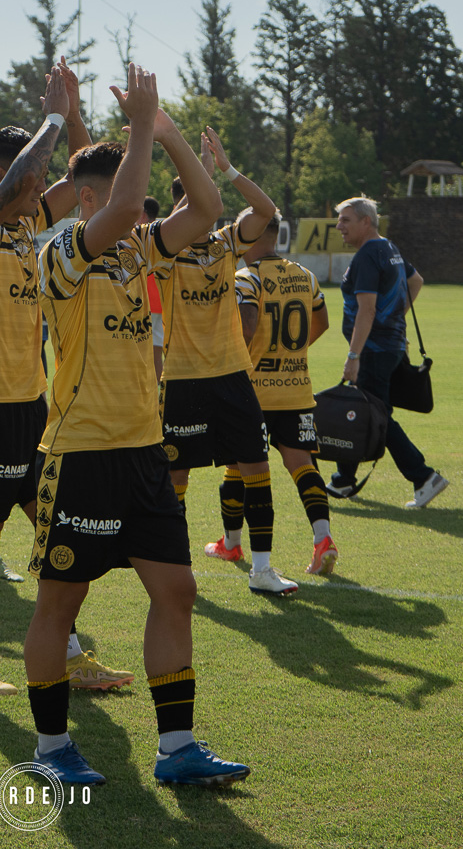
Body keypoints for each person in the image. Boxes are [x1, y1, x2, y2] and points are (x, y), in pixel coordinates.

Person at [24, 64, 250, 788]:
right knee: (63, 599)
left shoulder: (136, 249)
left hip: (144, 454)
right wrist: (136, 136)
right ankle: (52, 749)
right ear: (86, 196)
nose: (141, 197)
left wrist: (164, 129)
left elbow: (207, 207)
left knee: (177, 589)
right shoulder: (60, 249)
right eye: (126, 180)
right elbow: (123, 210)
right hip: (81, 453)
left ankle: (177, 747)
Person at [0, 62, 127, 694]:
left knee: (56, 533)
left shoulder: (29, 226)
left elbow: (93, 181)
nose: (44, 186)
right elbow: (25, 180)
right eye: (32, 175)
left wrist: (71, 117)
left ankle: (70, 654)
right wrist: (48, 120)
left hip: (35, 410)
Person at [161, 129, 295, 596]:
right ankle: (176, 567)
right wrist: (192, 177)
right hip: (182, 379)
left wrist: (226, 170)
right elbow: (186, 214)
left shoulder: (225, 244)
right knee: (177, 475)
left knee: (256, 465)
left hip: (233, 377)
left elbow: (266, 211)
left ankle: (262, 569)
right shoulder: (164, 250)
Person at [324, 197, 451, 510]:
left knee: (376, 415)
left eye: (346, 220)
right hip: (390, 346)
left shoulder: (368, 254)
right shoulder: (388, 248)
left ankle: (423, 477)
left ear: (366, 222)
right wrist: (396, 318)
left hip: (374, 350)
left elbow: (366, 309)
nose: (339, 226)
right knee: (368, 411)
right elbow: (416, 281)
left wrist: (353, 357)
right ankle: (343, 478)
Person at [236, 213, 338, 576]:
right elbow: (323, 322)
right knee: (303, 465)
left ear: (250, 237)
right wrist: (289, 355)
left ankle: (232, 544)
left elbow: (246, 331)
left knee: (241, 467)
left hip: (254, 393)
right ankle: (323, 538)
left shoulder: (247, 278)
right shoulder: (305, 275)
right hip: (296, 390)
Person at [142, 196, 166, 378]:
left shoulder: (143, 233)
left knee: (147, 348)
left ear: (143, 214)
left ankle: (153, 385)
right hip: (160, 300)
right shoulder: (161, 232)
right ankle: (158, 388)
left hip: (148, 300)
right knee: (157, 346)